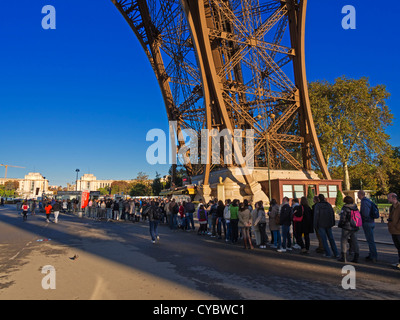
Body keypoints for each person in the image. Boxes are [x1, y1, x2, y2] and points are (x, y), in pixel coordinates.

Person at [314, 194, 338, 258]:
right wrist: (333, 222)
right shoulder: (328, 205)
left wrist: (315, 225)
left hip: (321, 224)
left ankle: (328, 253)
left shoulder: (318, 205)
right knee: (331, 238)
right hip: (328, 224)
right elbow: (332, 214)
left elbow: (316, 216)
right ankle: (336, 253)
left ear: (319, 199)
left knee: (324, 239)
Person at [337, 196, 360, 263]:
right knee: (355, 241)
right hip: (354, 225)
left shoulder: (345, 208)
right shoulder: (355, 207)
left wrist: (340, 224)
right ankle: (356, 256)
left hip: (347, 226)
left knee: (344, 241)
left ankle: (343, 257)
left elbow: (343, 218)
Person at [358, 190, 378, 262]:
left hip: (367, 222)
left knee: (370, 240)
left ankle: (373, 255)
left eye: (358, 195)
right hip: (372, 221)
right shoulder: (368, 201)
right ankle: (372, 254)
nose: (357, 196)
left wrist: (361, 218)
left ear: (360, 195)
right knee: (371, 240)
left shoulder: (364, 202)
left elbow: (365, 213)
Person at [387, 193, 400, 269]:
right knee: (398, 246)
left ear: (394, 198)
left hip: (398, 230)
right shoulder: (391, 207)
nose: (388, 199)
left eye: (389, 198)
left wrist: (397, 227)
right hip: (393, 230)